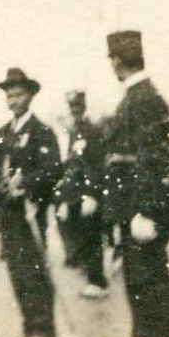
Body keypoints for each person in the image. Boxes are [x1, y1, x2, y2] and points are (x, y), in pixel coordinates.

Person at [100, 30, 169, 337]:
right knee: (140, 287)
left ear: (117, 61)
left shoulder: (144, 99)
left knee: (152, 287)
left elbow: (153, 159)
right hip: (132, 209)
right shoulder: (138, 97)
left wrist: (145, 211)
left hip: (142, 210)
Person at [0, 67, 61, 337]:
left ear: (30, 96)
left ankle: (45, 329)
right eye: (9, 95)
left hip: (30, 212)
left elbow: (53, 169)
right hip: (9, 214)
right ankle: (29, 326)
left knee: (34, 270)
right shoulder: (4, 132)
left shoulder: (42, 132)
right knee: (17, 272)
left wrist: (28, 183)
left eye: (19, 94)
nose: (14, 100)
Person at [55, 90, 109, 298]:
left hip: (89, 193)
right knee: (82, 236)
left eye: (77, 106)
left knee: (92, 235)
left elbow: (96, 165)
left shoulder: (92, 131)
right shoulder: (73, 133)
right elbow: (72, 167)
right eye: (71, 107)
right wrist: (67, 198)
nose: (74, 110)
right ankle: (92, 278)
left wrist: (91, 193)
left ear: (84, 106)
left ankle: (98, 281)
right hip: (75, 193)